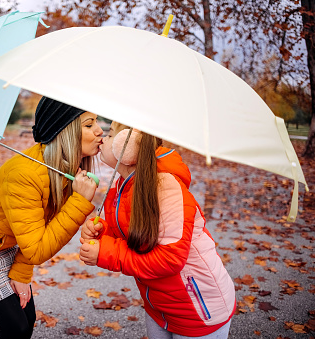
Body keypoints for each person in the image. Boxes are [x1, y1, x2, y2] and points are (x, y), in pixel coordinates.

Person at [0, 96, 103, 339]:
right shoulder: (24, 175)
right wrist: (79, 202)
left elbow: (42, 227)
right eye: (89, 124)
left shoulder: (66, 169)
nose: (100, 130)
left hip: (9, 239)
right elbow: (37, 249)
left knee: (27, 321)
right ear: (64, 131)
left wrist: (20, 272)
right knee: (16, 328)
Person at [79, 122, 236, 339]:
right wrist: (102, 233)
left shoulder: (166, 187)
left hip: (198, 308)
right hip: (160, 307)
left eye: (110, 134)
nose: (102, 138)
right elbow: (131, 236)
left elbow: (170, 259)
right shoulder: (122, 185)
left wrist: (106, 252)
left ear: (129, 145)